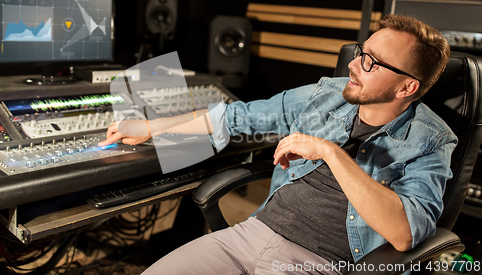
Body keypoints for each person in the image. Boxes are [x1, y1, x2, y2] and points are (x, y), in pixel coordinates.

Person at [98, 14, 456, 275]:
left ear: (407, 87)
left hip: (321, 262)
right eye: (362, 50)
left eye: (371, 62)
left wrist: (331, 153)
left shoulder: (430, 139)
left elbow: (406, 232)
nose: (353, 64)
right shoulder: (327, 95)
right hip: (253, 233)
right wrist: (151, 127)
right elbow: (235, 116)